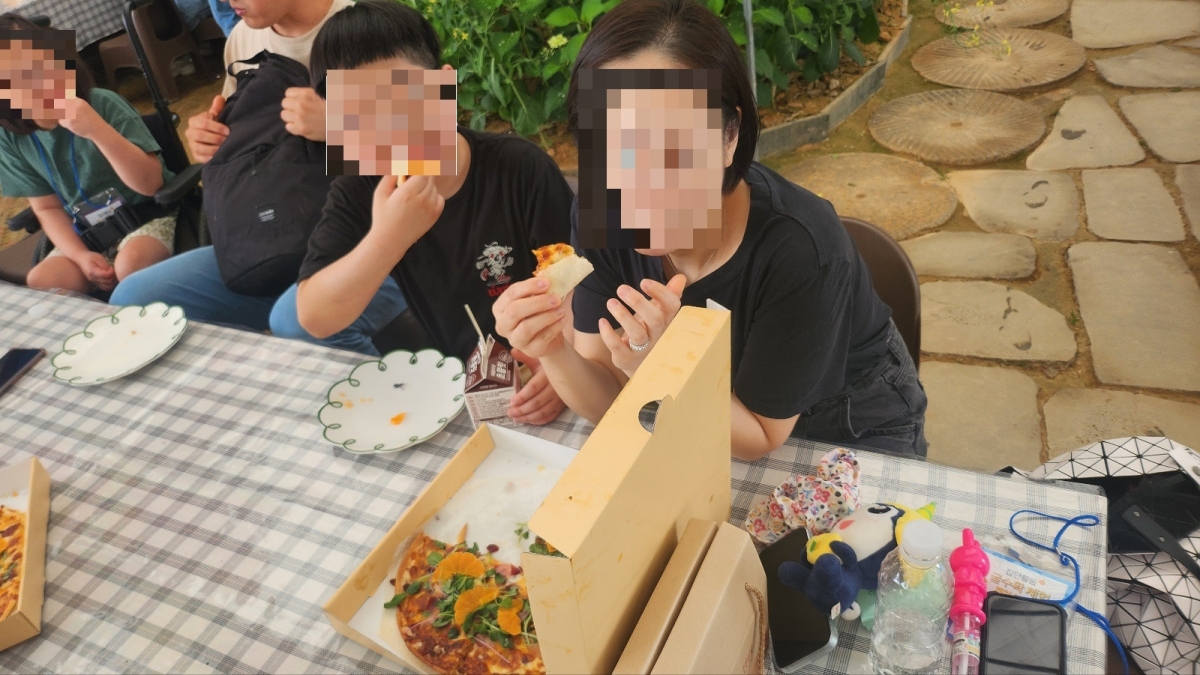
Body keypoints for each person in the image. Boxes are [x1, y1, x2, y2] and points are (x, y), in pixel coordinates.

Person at [492, 0, 927, 459]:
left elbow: (759, 438)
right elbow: (609, 398)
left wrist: (662, 369)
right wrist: (552, 349)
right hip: (704, 409)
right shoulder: (599, 215)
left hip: (846, 418)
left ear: (729, 135)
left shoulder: (802, 250)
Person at [291, 0, 575, 424]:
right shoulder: (362, 187)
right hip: (462, 387)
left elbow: (574, 279)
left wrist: (563, 366)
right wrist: (388, 237)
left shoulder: (520, 168)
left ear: (445, 86)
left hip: (551, 367)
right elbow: (315, 316)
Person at [109, 0, 407, 355]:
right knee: (136, 298)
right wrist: (208, 137)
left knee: (297, 320)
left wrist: (340, 124)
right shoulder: (244, 39)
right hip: (277, 236)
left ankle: (380, 388)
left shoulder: (368, 21)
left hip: (381, 237)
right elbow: (243, 138)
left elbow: (440, 147)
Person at [0, 14, 175, 294]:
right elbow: (47, 208)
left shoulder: (102, 103)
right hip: (85, 230)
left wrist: (97, 130)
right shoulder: (9, 138)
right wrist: (80, 256)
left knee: (130, 266)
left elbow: (151, 184)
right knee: (42, 281)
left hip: (148, 212)